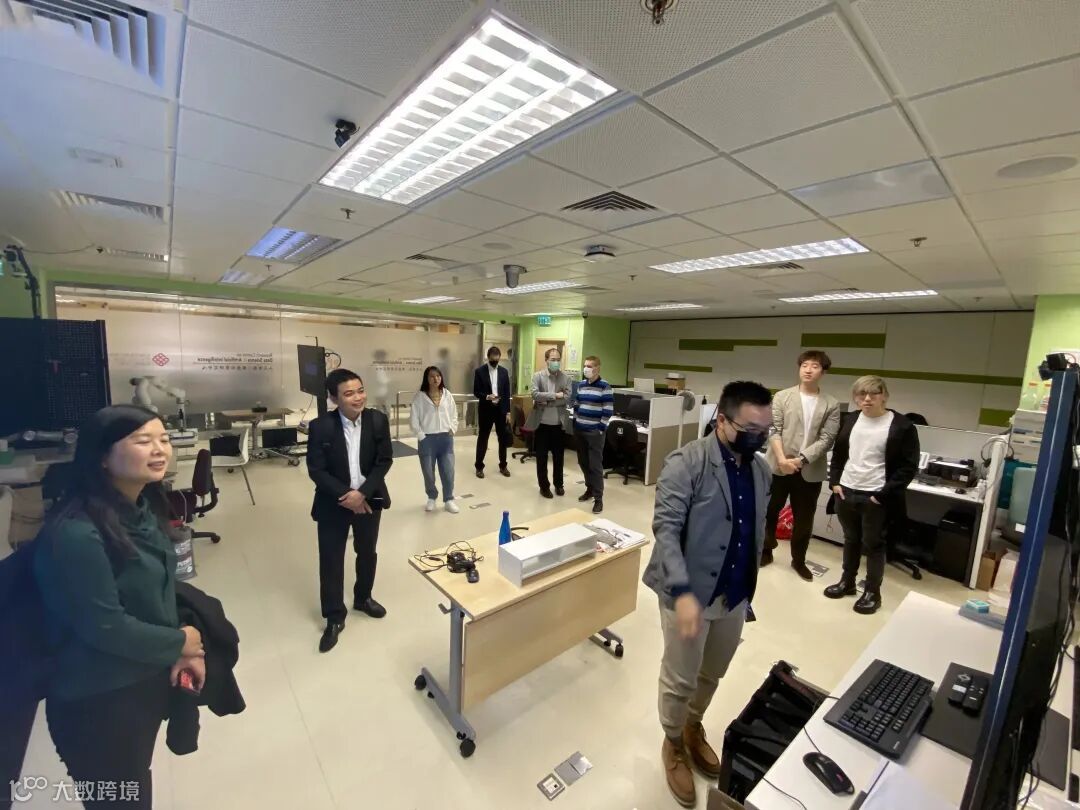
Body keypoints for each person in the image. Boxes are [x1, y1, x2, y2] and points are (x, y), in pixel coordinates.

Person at [33, 405, 206, 809]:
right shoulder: (76, 535)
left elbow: (158, 588)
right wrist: (181, 642)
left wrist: (181, 652)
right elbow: (106, 627)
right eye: (143, 441)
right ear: (101, 457)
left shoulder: (142, 509)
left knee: (135, 784)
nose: (160, 449)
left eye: (163, 439)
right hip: (99, 700)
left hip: (141, 679)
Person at [642, 381, 773, 808]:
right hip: (689, 592)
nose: (759, 437)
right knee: (680, 675)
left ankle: (692, 725)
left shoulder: (760, 471)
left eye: (766, 429)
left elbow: (753, 532)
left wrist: (747, 590)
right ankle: (672, 741)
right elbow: (666, 530)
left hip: (734, 594)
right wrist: (681, 593)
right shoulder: (687, 463)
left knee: (712, 671)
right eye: (750, 429)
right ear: (721, 421)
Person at [306, 368, 394, 653]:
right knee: (331, 559)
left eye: (360, 390)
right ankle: (334, 616)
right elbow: (316, 470)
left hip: (369, 499)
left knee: (367, 551)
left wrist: (363, 493)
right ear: (334, 398)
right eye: (349, 393)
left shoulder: (377, 420)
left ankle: (363, 598)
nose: (358, 398)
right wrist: (347, 496)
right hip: (334, 502)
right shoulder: (321, 427)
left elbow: (384, 460)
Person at [825, 375, 920, 615]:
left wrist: (882, 495)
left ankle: (872, 593)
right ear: (855, 398)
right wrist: (835, 482)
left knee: (874, 545)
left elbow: (908, 467)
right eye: (861, 394)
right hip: (846, 491)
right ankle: (847, 582)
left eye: (873, 393)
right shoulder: (850, 420)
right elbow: (839, 454)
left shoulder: (902, 426)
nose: (867, 399)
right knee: (851, 539)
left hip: (875, 496)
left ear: (884, 396)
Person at [762, 350, 841, 580]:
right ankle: (765, 550)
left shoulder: (831, 404)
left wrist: (801, 459)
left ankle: (798, 560)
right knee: (768, 511)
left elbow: (827, 439)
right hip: (778, 466)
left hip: (809, 469)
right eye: (804, 365)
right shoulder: (782, 397)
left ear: (823, 372)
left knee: (804, 519)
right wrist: (782, 459)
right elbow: (773, 429)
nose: (808, 370)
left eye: (814, 366)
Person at [410, 365, 459, 514]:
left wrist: (452, 428)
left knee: (448, 471)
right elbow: (414, 419)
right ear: (427, 378)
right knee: (428, 472)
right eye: (432, 376)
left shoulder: (447, 394)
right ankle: (431, 497)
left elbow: (454, 414)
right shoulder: (420, 397)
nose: (435, 379)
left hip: (445, 439)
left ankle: (449, 499)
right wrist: (421, 435)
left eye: (438, 376)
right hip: (427, 440)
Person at [573, 355, 613, 513]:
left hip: (595, 432)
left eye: (589, 366)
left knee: (595, 465)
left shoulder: (605, 386)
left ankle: (598, 498)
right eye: (585, 366)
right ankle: (589, 489)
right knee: (583, 462)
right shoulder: (581, 384)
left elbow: (608, 410)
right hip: (580, 429)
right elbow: (577, 404)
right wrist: (575, 422)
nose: (586, 369)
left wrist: (600, 429)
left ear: (597, 368)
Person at [530, 347, 572, 498]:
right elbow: (535, 394)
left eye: (558, 360)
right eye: (553, 359)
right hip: (541, 424)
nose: (556, 362)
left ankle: (559, 485)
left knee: (558, 457)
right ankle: (544, 486)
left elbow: (567, 398)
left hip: (558, 425)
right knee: (541, 458)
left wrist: (546, 400)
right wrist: (555, 395)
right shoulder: (538, 376)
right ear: (546, 360)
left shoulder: (566, 378)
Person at [472, 346, 512, 479]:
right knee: (483, 438)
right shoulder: (480, 371)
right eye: (493, 359)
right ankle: (479, 467)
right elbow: (476, 391)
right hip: (486, 410)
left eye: (497, 359)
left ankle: (503, 466)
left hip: (501, 410)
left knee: (503, 439)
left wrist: (508, 412)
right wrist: (487, 396)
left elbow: (506, 393)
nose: (495, 361)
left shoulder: (504, 372)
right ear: (488, 357)